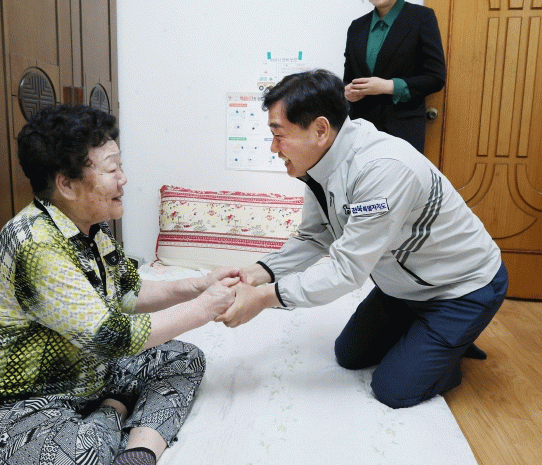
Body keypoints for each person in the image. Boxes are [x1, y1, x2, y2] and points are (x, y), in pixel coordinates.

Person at [0, 104, 242, 465]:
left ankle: (139, 452)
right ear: (67, 184)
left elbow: (129, 294)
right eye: (112, 169)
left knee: (184, 357)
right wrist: (204, 308)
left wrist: (199, 285)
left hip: (88, 372)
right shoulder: (35, 244)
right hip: (14, 402)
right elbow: (112, 337)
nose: (124, 178)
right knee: (81, 455)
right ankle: (115, 407)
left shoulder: (91, 228)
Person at [216, 69, 508, 409]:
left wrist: (264, 297)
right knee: (349, 355)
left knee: (393, 389)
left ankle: (451, 348)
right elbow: (314, 237)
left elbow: (346, 271)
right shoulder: (321, 164)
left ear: (320, 130)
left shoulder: (384, 169)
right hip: (404, 286)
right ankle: (431, 338)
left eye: (279, 135)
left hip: (461, 288)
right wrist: (254, 274)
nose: (273, 148)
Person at [343, 0, 446, 153]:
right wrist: (347, 92)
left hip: (403, 129)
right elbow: (348, 78)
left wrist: (388, 86)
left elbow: (435, 77)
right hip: (361, 130)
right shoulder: (356, 26)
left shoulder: (421, 17)